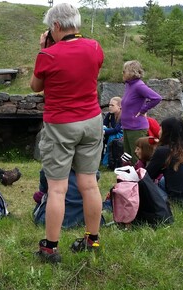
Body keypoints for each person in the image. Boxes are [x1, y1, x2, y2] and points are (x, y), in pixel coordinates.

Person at [29, 3, 105, 263]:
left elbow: (35, 86)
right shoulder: (95, 47)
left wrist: (44, 49)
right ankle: (91, 239)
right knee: (89, 184)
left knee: (58, 189)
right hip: (92, 121)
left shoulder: (48, 55)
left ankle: (50, 248)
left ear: (57, 26)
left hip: (61, 124)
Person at [144, 118, 183, 206]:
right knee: (163, 180)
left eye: (160, 129)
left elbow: (146, 177)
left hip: (180, 203)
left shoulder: (163, 151)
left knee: (146, 186)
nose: (158, 132)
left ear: (166, 132)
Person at [119, 60, 163, 165]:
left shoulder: (139, 86)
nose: (122, 73)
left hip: (136, 128)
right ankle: (128, 179)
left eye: (124, 71)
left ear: (131, 72)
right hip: (126, 127)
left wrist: (143, 110)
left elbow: (156, 98)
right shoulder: (129, 85)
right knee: (127, 156)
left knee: (137, 157)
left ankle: (142, 179)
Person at [102, 97, 123, 167]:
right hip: (111, 132)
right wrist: (103, 130)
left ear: (119, 106)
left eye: (112, 105)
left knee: (111, 137)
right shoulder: (110, 115)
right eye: (109, 105)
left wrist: (104, 131)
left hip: (121, 135)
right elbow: (104, 124)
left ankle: (108, 162)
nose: (110, 107)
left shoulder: (123, 115)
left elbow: (117, 130)